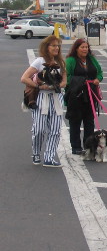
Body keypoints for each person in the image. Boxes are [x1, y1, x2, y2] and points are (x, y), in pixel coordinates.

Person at [20, 35, 67, 167]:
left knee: (55, 129)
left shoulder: (61, 63)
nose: (56, 48)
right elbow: (24, 78)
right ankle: (36, 152)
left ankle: (49, 157)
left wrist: (58, 85)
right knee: (39, 129)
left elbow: (64, 81)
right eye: (53, 45)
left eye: (58, 45)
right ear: (46, 47)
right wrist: (39, 86)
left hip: (56, 98)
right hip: (41, 97)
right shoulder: (39, 61)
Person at [65, 39, 103, 155]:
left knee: (89, 121)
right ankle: (75, 146)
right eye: (82, 47)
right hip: (76, 95)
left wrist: (97, 79)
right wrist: (81, 81)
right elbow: (66, 76)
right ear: (76, 48)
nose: (85, 49)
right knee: (75, 121)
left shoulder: (92, 59)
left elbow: (100, 72)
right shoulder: (70, 61)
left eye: (86, 47)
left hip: (91, 94)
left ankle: (88, 145)